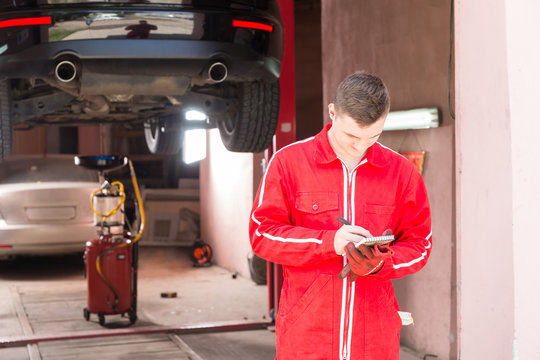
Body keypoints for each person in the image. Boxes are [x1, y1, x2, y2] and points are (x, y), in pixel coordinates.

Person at [249, 71, 432, 360]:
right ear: (332, 112)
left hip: (375, 337)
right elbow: (262, 235)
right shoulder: (288, 163)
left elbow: (420, 245)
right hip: (307, 332)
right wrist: (328, 243)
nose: (361, 145)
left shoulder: (402, 173)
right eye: (351, 135)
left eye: (373, 135)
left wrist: (379, 263)